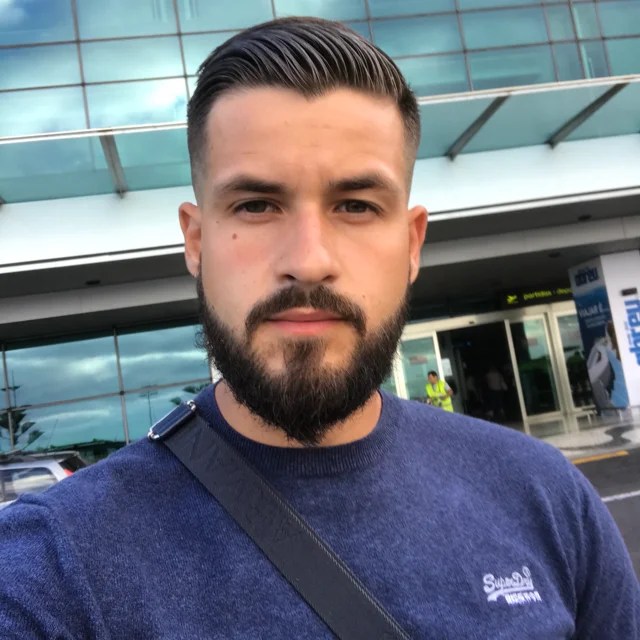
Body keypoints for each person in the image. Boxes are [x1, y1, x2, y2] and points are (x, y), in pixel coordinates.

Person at [0, 17, 638, 639]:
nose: (308, 260)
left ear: (412, 243)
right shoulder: (52, 567)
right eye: (256, 205)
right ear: (195, 241)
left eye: (356, 205)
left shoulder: (546, 495)